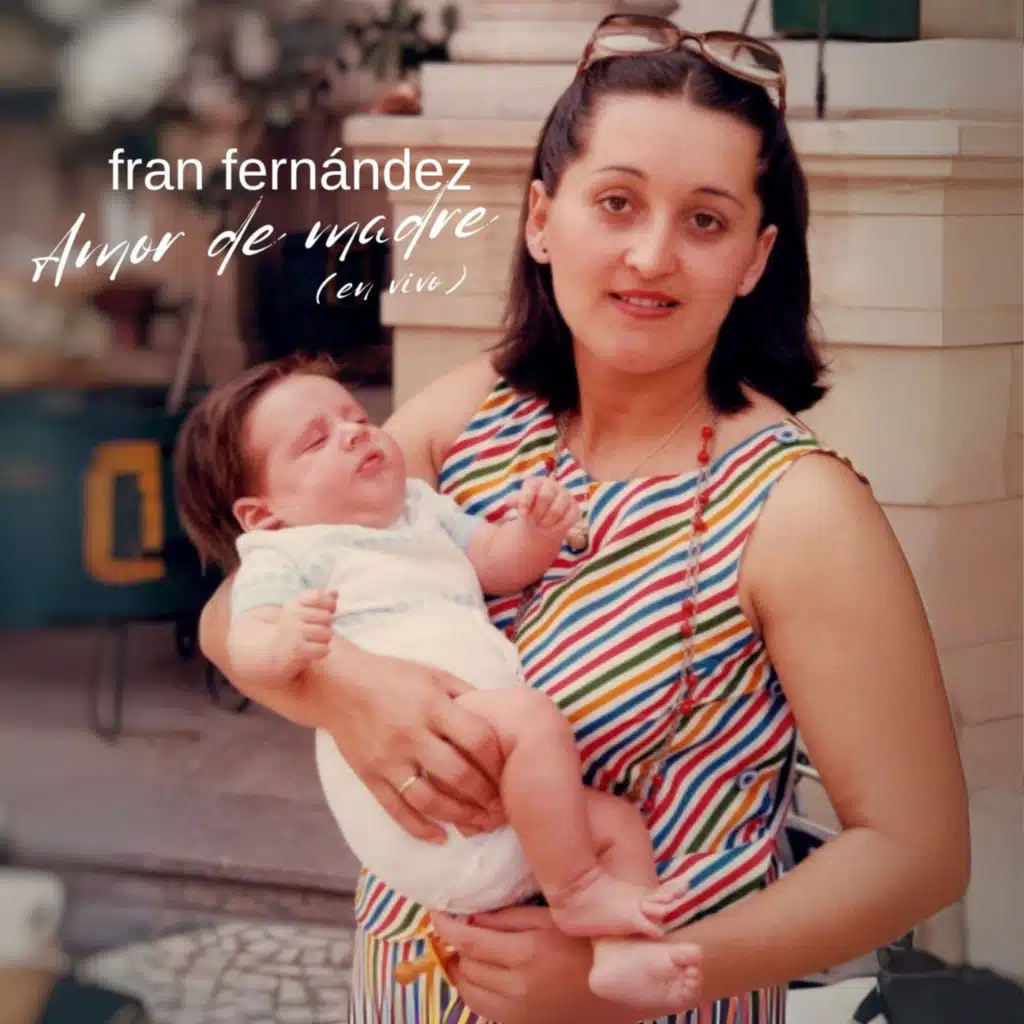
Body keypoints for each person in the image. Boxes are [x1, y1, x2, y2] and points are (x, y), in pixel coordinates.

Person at [197, 13, 971, 1024]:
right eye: (616, 202)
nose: (651, 255)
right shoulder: (479, 412)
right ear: (540, 219)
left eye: (705, 221)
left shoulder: (796, 507)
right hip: (403, 986)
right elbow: (247, 590)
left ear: (754, 258)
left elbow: (918, 852)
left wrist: (658, 972)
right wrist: (347, 689)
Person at [173, 354, 702, 1012]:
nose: (355, 433)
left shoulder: (421, 511)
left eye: (356, 417)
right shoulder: (286, 555)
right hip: (423, 806)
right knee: (531, 718)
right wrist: (287, 645)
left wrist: (535, 532)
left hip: (517, 814)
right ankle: (578, 893)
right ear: (263, 515)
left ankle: (623, 954)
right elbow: (242, 640)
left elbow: (498, 562)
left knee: (617, 824)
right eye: (315, 440)